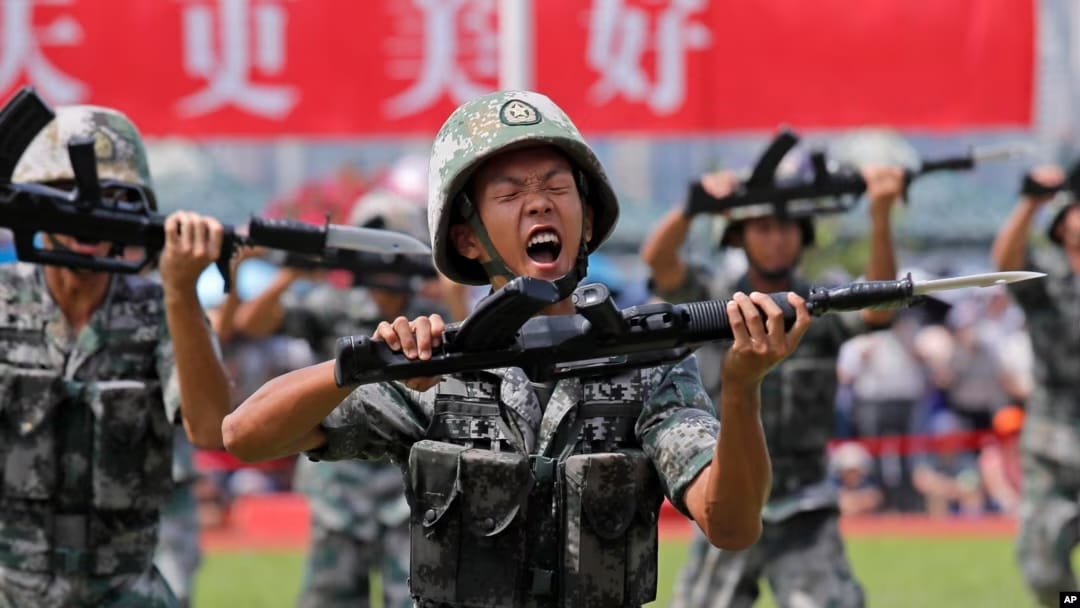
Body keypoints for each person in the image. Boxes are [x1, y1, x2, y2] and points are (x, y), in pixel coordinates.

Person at [221, 90, 812, 608]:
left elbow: (730, 524)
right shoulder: (437, 370)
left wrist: (742, 388)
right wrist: (360, 369)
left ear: (586, 213)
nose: (539, 203)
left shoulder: (646, 366)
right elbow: (244, 435)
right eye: (510, 194)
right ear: (467, 238)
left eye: (557, 186)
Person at [642, 162, 903, 607]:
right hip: (728, 491)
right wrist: (692, 208)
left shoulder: (819, 306)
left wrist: (880, 215)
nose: (776, 238)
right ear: (739, 236)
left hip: (805, 504)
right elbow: (661, 263)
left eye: (786, 226)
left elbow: (881, 306)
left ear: (803, 235)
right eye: (761, 227)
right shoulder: (714, 302)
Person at [0, 105, 231, 606]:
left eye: (113, 198)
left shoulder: (161, 309)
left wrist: (179, 294)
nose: (89, 216)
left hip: (127, 591)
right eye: (69, 195)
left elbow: (211, 427)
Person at [229, 163, 439, 608]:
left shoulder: (429, 316)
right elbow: (251, 323)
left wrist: (442, 276)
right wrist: (295, 271)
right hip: (339, 487)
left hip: (407, 487)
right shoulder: (334, 306)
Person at [990, 164, 1080, 607]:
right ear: (1063, 223)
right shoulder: (1045, 277)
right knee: (1044, 569)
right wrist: (1030, 202)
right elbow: (1005, 265)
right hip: (1053, 447)